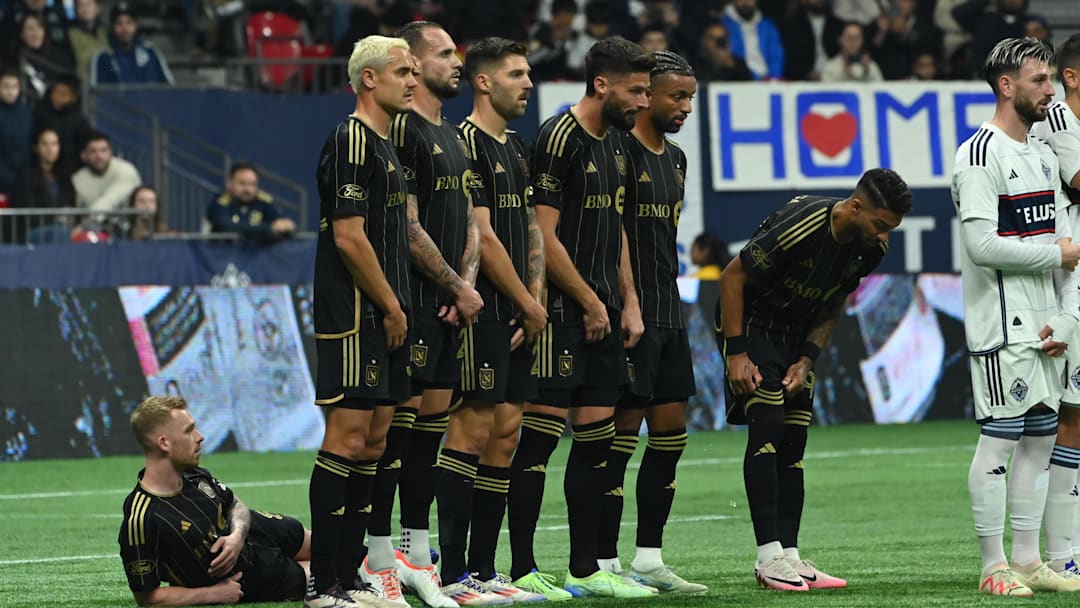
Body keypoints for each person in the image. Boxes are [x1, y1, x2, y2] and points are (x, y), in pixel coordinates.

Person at [508, 36, 654, 600]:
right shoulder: (558, 138)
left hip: (602, 314)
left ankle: (585, 567)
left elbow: (613, 225)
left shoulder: (616, 145)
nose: (643, 101)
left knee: (597, 444)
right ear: (602, 85)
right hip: (560, 316)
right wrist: (589, 302)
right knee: (538, 444)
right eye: (636, 90)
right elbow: (541, 233)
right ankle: (521, 567)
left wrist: (628, 299)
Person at [719, 168, 912, 591]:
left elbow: (834, 304)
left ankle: (790, 555)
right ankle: (767, 557)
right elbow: (732, 277)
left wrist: (808, 358)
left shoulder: (870, 249)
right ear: (855, 207)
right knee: (768, 425)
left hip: (795, 334)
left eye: (891, 229)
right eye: (880, 225)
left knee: (795, 439)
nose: (884, 237)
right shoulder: (802, 225)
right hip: (752, 324)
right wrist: (737, 352)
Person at [361, 21, 484, 608]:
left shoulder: (454, 135)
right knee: (396, 431)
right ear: (409, 62)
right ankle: (378, 553)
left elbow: (470, 223)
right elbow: (407, 227)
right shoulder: (402, 131)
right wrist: (456, 284)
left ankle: (415, 550)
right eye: (440, 55)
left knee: (431, 429)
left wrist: (467, 285)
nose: (453, 63)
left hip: (451, 302)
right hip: (415, 299)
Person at [955, 37, 1080, 597]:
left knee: (1039, 439)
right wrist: (1056, 255)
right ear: (1007, 86)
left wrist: (1067, 318)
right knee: (1000, 441)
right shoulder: (979, 153)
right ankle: (992, 566)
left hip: (1048, 322)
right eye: (1039, 80)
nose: (1050, 90)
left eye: (1052, 79)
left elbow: (1064, 236)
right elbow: (983, 245)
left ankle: (1028, 560)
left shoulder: (1044, 154)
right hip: (1001, 324)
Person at [432, 36, 548, 605]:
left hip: (520, 310)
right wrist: (526, 301)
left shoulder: (517, 146)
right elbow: (482, 232)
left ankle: (483, 568)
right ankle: (451, 574)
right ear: (483, 81)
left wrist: (537, 296)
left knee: (506, 435)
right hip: (482, 308)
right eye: (517, 74)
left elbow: (528, 226)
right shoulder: (465, 142)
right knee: (472, 431)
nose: (528, 83)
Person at [305, 33, 417, 608]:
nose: (413, 81)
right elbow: (349, 237)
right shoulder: (351, 138)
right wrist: (392, 305)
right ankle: (323, 584)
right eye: (403, 71)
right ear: (369, 79)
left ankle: (350, 577)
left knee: (374, 443)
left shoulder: (386, 145)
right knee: (346, 440)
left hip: (385, 315)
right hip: (354, 315)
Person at [594, 49, 706, 595]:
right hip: (628, 316)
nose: (684, 106)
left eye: (690, 97)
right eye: (675, 96)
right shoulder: (618, 151)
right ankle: (603, 558)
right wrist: (625, 301)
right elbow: (609, 233)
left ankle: (649, 557)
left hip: (670, 312)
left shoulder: (677, 159)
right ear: (646, 95)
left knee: (670, 439)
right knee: (619, 439)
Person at [118, 396, 312, 605]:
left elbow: (235, 504)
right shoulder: (142, 518)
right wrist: (212, 594)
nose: (200, 437)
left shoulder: (194, 475)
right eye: (189, 430)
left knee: (344, 551)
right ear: (164, 443)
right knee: (337, 574)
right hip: (251, 575)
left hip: (258, 530)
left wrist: (237, 537)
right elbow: (148, 598)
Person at [1030, 31, 1080, 583]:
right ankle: (1062, 552)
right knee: (1068, 415)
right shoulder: (1062, 122)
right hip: (1065, 279)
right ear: (1073, 76)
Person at [11, 128, 75, 243]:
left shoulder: (64, 176)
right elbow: (28, 213)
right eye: (44, 144)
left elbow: (70, 203)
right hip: (30, 232)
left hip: (61, 229)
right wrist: (57, 221)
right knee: (59, 233)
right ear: (36, 148)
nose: (50, 149)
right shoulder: (25, 175)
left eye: (54, 144)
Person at [89, 2, 175, 86]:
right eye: (119, 23)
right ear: (112, 27)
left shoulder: (151, 52)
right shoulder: (103, 58)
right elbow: (96, 95)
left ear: (136, 25)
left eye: (129, 23)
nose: (124, 28)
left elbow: (170, 89)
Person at [205, 163, 296, 240]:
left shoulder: (262, 201)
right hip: (223, 255)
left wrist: (286, 225)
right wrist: (269, 228)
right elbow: (226, 226)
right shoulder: (221, 201)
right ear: (230, 183)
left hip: (256, 258)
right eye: (242, 183)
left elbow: (282, 223)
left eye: (252, 184)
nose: (247, 189)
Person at [72, 131, 141, 212]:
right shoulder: (77, 179)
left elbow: (110, 200)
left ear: (110, 153)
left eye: (103, 150)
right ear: (84, 155)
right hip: (90, 223)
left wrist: (87, 222)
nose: (99, 156)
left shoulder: (126, 170)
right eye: (93, 151)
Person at [721, 0, 784, 80]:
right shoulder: (723, 25)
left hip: (769, 81)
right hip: (739, 79)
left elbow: (776, 56)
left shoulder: (768, 25)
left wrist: (773, 78)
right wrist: (754, 78)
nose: (745, 2)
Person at [0, 69, 31, 199]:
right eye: (5, 86)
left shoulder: (27, 113)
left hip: (24, 176)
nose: (10, 91)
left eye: (14, 86)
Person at [68, 0, 109, 83]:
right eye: (81, 5)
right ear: (76, 9)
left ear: (97, 8)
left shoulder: (108, 33)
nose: (85, 9)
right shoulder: (69, 35)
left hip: (108, 86)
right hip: (84, 87)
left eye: (88, 4)